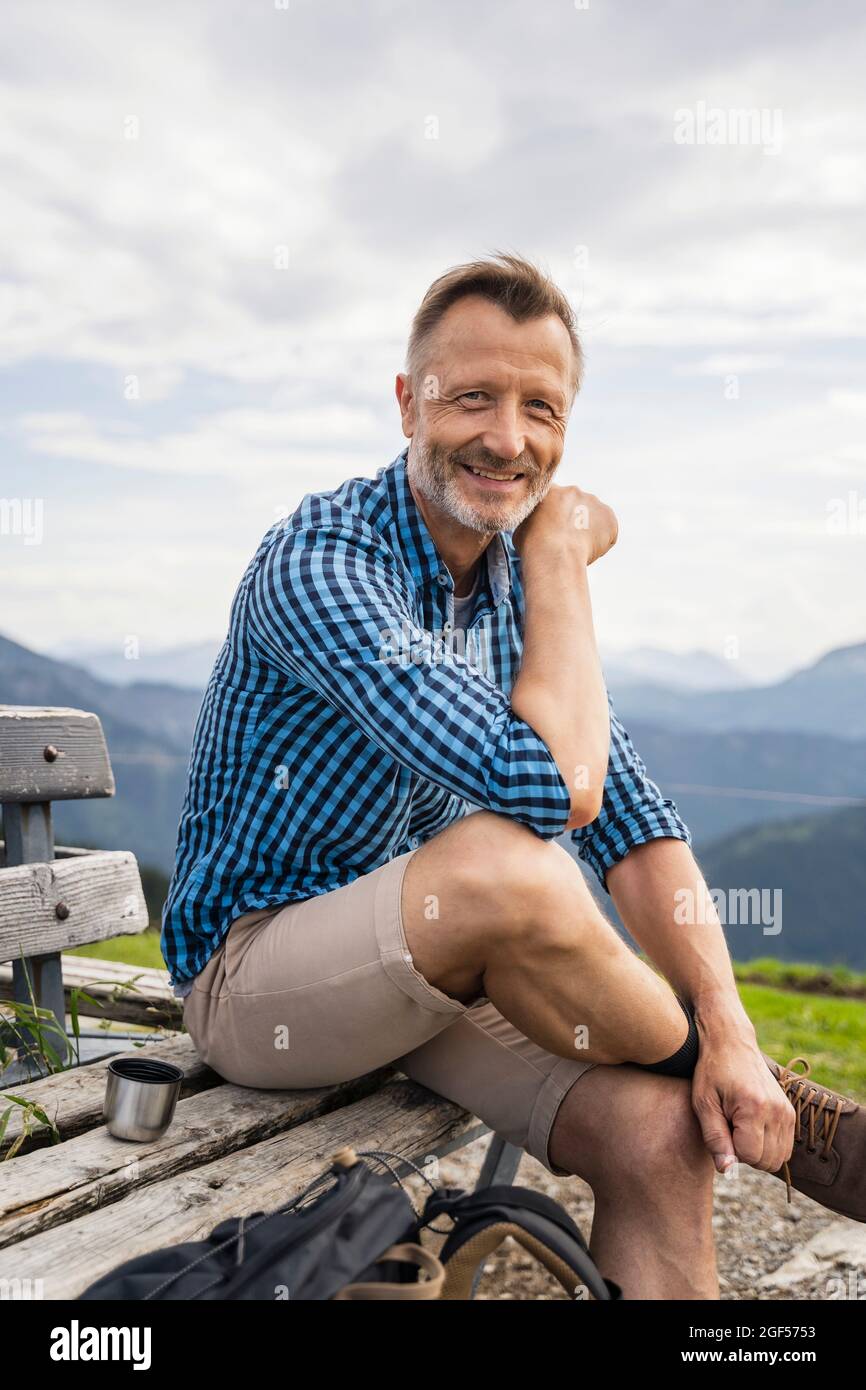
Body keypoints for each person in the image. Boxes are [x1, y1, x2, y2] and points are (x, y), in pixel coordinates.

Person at [162, 252, 864, 1299]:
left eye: (539, 406)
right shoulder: (321, 560)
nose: (506, 436)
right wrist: (560, 552)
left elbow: (629, 818)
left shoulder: (500, 590)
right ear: (408, 401)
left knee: (658, 1137)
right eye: (473, 396)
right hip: (255, 978)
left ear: (565, 428)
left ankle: (730, 1075)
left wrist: (724, 1018)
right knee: (507, 864)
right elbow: (547, 788)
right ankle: (782, 1108)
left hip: (426, 975)